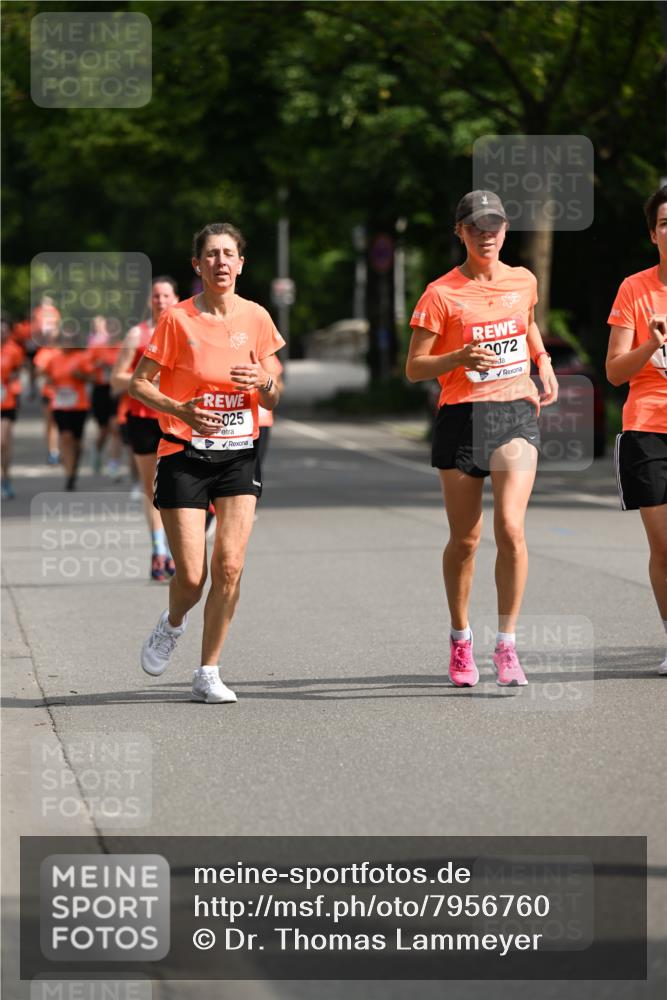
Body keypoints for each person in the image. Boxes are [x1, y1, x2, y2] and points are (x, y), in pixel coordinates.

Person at [406, 190, 558, 687]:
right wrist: (457, 359)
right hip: (462, 415)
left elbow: (527, 324)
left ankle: (507, 645)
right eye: (475, 226)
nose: (486, 234)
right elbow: (414, 367)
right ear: (461, 233)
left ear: (506, 229)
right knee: (466, 539)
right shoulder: (440, 293)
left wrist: (544, 363)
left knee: (511, 529)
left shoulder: (523, 279)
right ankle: (460, 637)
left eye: (493, 225)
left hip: (515, 409)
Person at [129, 223, 284, 702]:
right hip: (184, 455)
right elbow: (140, 384)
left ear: (241, 263)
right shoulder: (177, 320)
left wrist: (262, 382)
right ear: (198, 266)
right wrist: (178, 408)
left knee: (231, 566)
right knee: (192, 576)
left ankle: (208, 671)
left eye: (229, 254)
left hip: (239, 452)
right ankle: (172, 623)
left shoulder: (257, 318)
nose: (221, 262)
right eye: (211, 255)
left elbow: (275, 395)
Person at [606, 185, 667, 675]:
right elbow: (614, 372)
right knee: (664, 545)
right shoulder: (635, 289)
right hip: (648, 427)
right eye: (665, 224)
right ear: (653, 234)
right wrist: (649, 344)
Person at [111, 276, 180, 581]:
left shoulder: (187, 332)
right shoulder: (136, 335)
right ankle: (159, 551)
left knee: (178, 487)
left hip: (177, 419)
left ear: (176, 299)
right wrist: (145, 381)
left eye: (166, 296)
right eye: (156, 296)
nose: (161, 301)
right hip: (142, 418)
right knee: (152, 487)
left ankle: (178, 546)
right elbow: (116, 378)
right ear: (149, 301)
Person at [1, 318, 25, 499]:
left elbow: (18, 370)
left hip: (6, 401)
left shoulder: (14, 350)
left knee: (3, 442)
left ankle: (6, 478)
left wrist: (11, 377)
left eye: (4, 330)